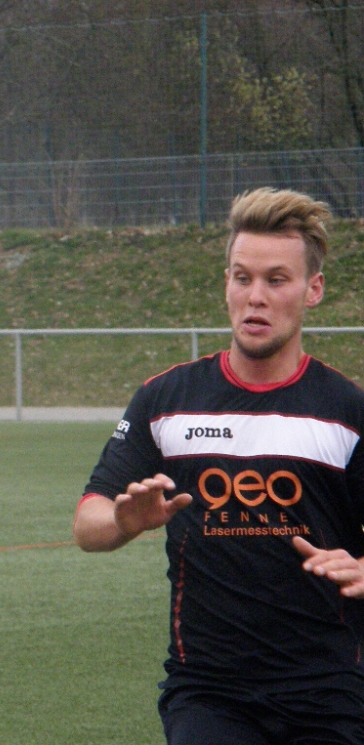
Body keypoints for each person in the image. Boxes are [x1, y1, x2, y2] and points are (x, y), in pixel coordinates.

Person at [73, 187, 364, 744]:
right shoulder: (166, 401)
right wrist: (124, 522)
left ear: (313, 290)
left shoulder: (346, 412)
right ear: (226, 283)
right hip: (209, 692)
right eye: (242, 277)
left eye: (276, 280)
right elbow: (88, 524)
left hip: (331, 689)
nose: (256, 297)